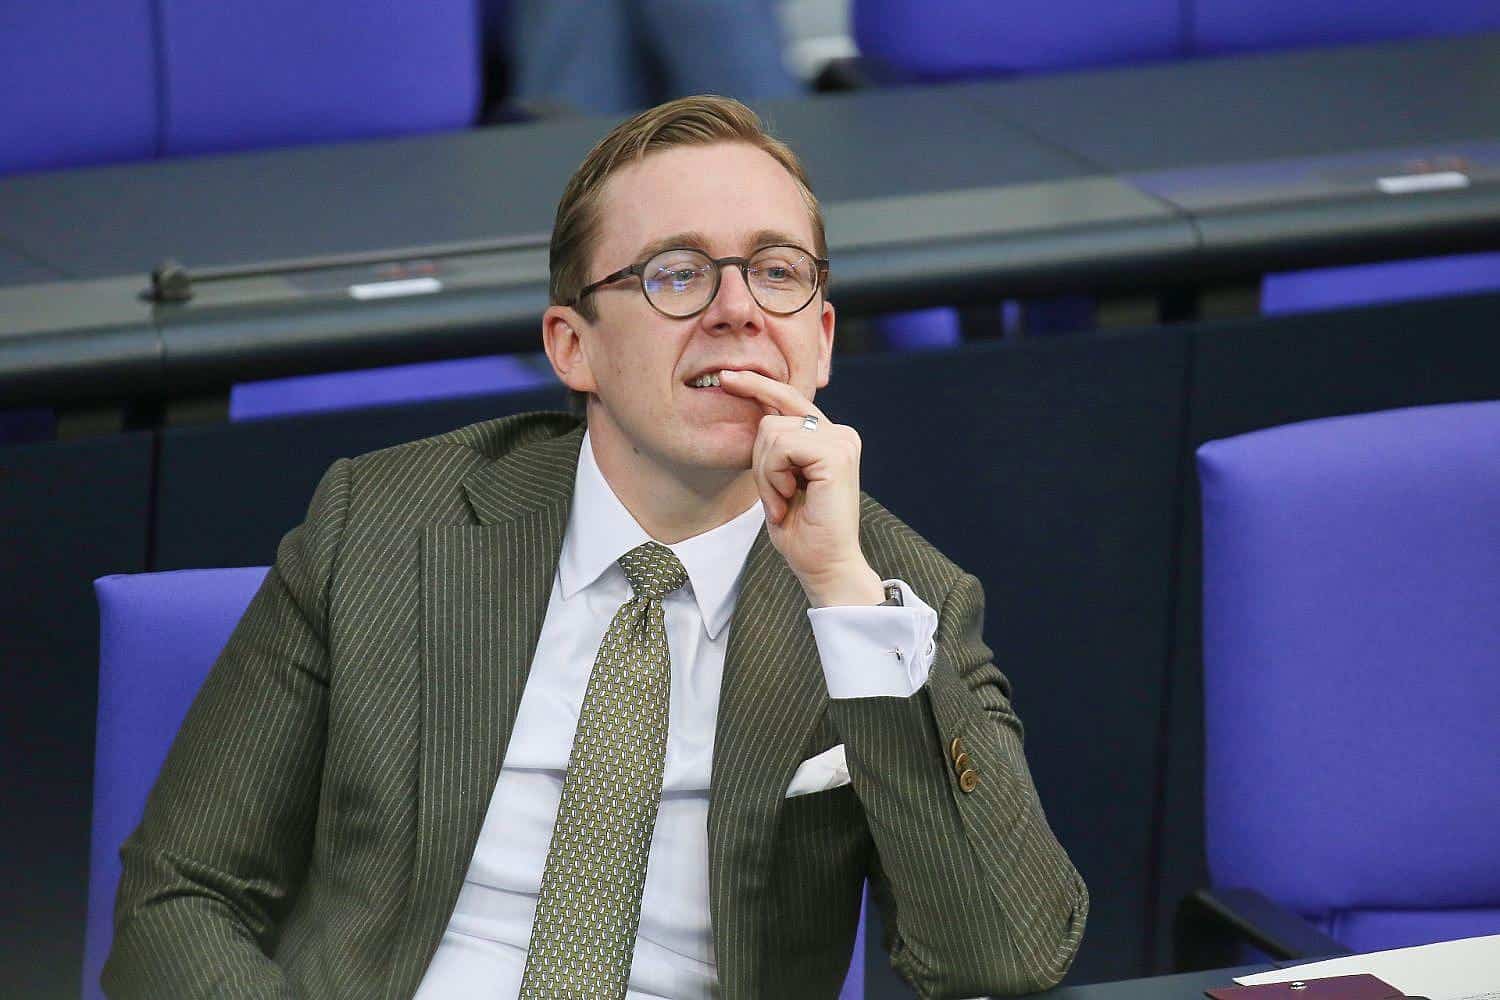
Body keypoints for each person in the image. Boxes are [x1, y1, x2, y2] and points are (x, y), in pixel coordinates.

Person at [104, 96, 1087, 999]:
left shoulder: (895, 603)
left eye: (777, 272)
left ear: (821, 341)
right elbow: (180, 894)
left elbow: (1006, 954)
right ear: (572, 346)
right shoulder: (384, 523)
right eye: (678, 274)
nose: (738, 309)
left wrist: (842, 595)